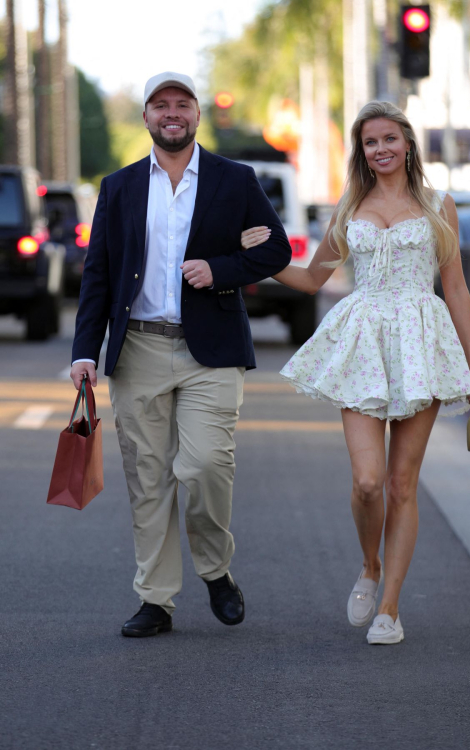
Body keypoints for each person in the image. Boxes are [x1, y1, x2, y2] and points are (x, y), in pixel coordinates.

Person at [241, 100, 470, 645]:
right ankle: (369, 566)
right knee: (368, 480)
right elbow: (311, 279)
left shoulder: (436, 205)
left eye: (389, 139)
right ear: (363, 150)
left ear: (407, 144)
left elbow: (457, 289)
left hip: (421, 340)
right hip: (362, 343)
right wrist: (260, 256)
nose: (380, 149)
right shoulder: (350, 207)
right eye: (370, 142)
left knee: (402, 485)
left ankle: (391, 610)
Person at [70, 72, 291, 637]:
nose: (172, 113)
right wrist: (84, 352)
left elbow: (277, 250)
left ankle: (215, 569)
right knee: (149, 478)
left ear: (196, 115)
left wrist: (220, 270)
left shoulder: (234, 179)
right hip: (137, 347)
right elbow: (98, 275)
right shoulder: (118, 186)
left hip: (211, 350)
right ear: (145, 117)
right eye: (160, 104)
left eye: (182, 103)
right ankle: (156, 600)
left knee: (205, 465)